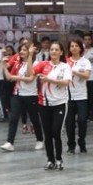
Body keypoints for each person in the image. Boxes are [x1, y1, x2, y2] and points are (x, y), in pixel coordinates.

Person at [33, 42, 72, 170]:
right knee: (48, 134)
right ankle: (50, 160)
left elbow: (66, 82)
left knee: (56, 132)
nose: (54, 52)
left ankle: (59, 159)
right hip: (44, 104)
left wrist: (49, 80)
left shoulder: (65, 67)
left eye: (56, 50)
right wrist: (29, 56)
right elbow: (30, 73)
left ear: (61, 52)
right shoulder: (43, 64)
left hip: (60, 103)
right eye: (52, 49)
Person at [0, 41, 42, 152]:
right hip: (17, 94)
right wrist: (3, 64)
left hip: (31, 95)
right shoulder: (18, 63)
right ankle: (10, 142)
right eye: (21, 50)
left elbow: (29, 78)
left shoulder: (36, 63)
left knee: (34, 119)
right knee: (13, 118)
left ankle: (40, 140)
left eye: (24, 50)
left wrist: (17, 77)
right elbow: (9, 77)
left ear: (30, 51)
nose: (21, 52)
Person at [65, 38, 92, 154]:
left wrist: (74, 71)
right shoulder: (65, 61)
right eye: (72, 46)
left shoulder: (85, 61)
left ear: (81, 48)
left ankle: (82, 141)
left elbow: (86, 76)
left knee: (82, 121)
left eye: (76, 46)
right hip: (67, 96)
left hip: (81, 96)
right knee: (69, 122)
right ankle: (71, 145)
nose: (74, 48)